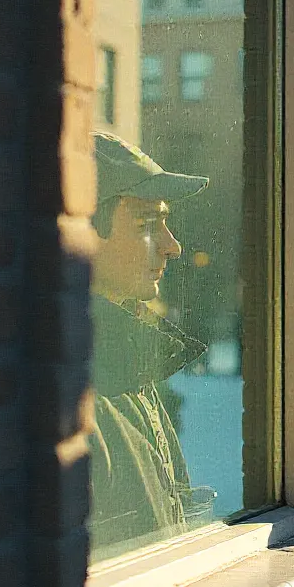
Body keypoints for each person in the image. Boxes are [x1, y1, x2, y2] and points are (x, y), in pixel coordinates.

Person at [87, 131, 209, 555]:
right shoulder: (77, 391)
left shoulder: (128, 369)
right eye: (146, 224)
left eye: (166, 223)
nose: (172, 247)